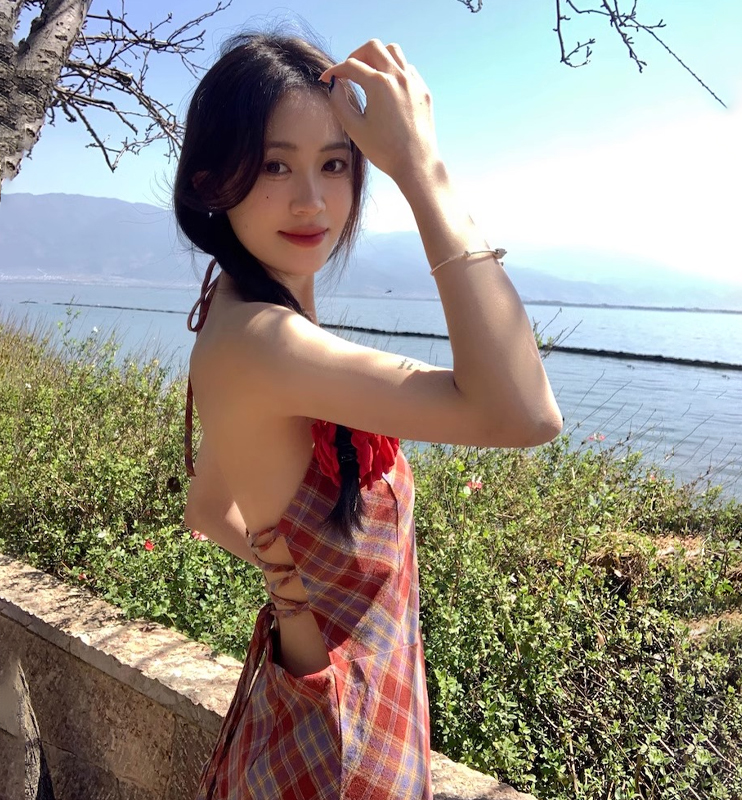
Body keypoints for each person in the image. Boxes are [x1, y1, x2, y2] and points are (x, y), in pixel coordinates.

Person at [174, 31, 562, 800]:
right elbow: (523, 414)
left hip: (302, 713)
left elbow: (207, 509)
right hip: (338, 752)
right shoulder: (267, 342)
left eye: (334, 164)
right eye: (276, 165)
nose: (311, 201)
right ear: (215, 179)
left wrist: (299, 594)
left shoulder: (236, 312)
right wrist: (422, 169)